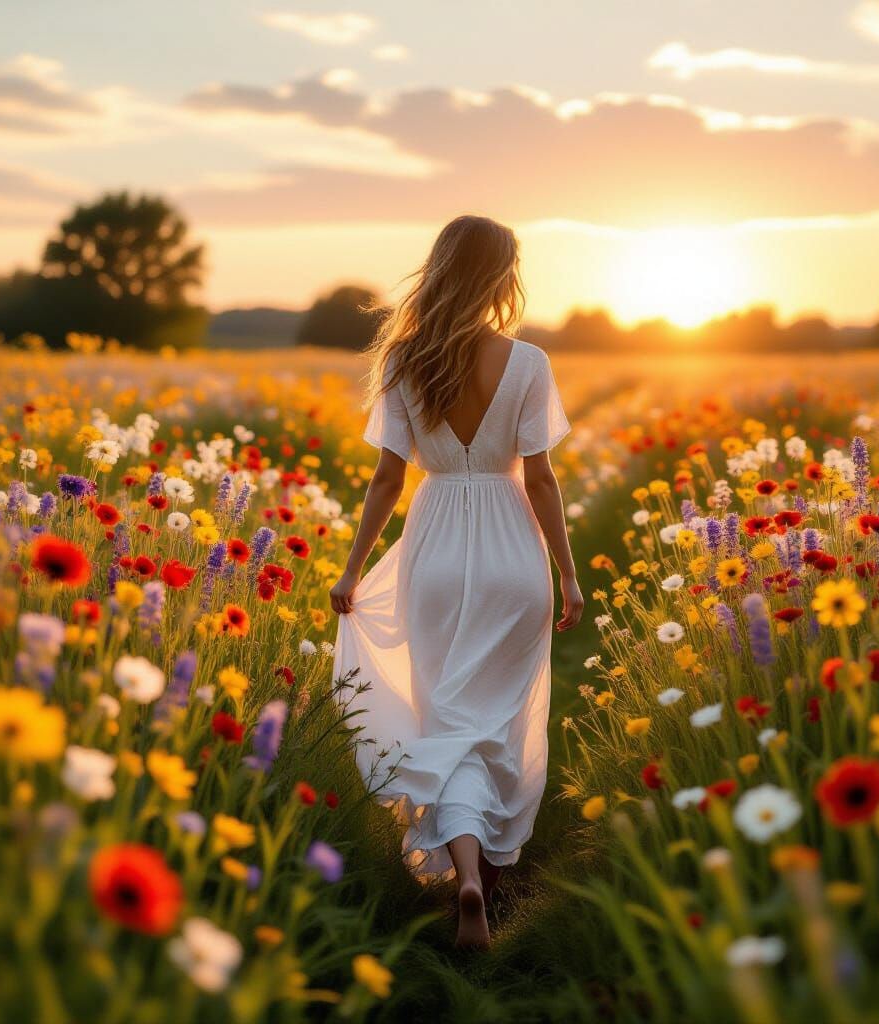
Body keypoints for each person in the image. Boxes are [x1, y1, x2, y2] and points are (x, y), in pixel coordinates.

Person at [330, 214, 583, 949]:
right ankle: (489, 886)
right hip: (513, 553)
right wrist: (567, 576)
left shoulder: (406, 359)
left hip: (434, 548)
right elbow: (540, 481)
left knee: (447, 720)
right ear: (502, 276)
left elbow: (386, 480)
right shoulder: (529, 363)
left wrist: (351, 570)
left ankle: (463, 873)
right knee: (497, 724)